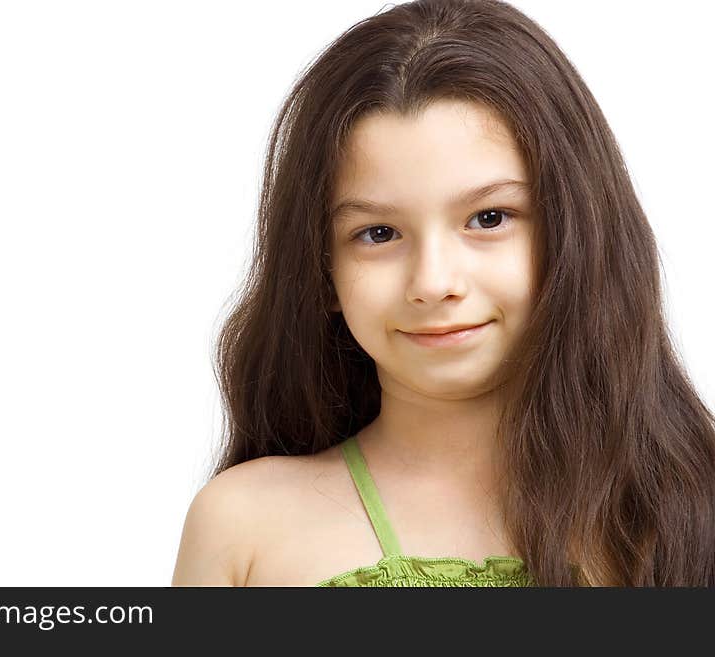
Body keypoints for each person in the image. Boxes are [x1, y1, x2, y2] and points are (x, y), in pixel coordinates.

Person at [171, 0, 715, 587]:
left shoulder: (690, 512)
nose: (433, 283)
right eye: (377, 234)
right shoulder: (244, 529)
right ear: (321, 272)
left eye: (489, 218)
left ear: (576, 233)